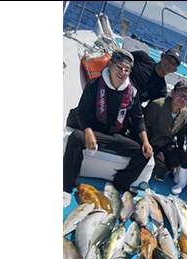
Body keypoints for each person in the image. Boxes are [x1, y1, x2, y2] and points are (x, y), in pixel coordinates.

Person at [63, 49, 153, 194]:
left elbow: (138, 119)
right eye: (119, 67)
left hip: (115, 135)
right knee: (76, 137)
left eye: (127, 70)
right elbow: (82, 112)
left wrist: (146, 142)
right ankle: (67, 183)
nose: (122, 72)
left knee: (144, 153)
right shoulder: (93, 85)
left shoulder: (132, 93)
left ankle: (121, 183)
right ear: (110, 65)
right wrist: (88, 131)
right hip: (94, 130)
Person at [142, 80, 187, 181]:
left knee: (178, 159)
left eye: (186, 97)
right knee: (161, 168)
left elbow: (181, 133)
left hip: (168, 143)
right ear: (173, 92)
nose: (183, 98)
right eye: (181, 94)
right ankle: (160, 167)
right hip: (153, 142)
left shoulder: (184, 113)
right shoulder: (157, 105)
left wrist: (181, 149)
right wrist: (145, 143)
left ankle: (167, 166)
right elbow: (144, 125)